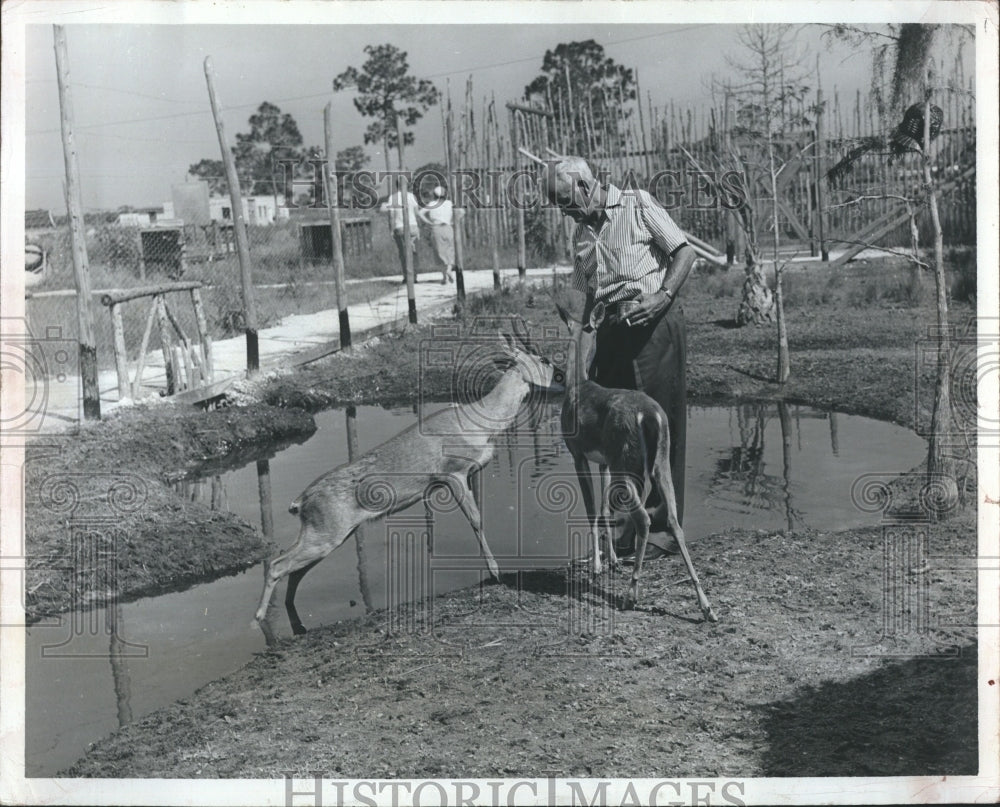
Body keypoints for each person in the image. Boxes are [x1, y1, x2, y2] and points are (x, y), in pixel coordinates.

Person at [543, 156, 697, 560]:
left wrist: (663, 296)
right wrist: (585, 346)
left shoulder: (636, 204)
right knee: (617, 431)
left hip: (655, 326)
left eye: (564, 200)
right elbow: (588, 294)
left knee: (660, 426)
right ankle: (623, 538)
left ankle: (663, 530)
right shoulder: (580, 235)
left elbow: (684, 252)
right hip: (611, 331)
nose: (564, 210)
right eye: (558, 205)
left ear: (583, 184)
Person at [380, 179, 421, 282]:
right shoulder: (412, 196)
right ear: (406, 185)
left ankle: (407, 276)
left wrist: (391, 229)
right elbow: (417, 213)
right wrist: (418, 227)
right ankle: (414, 275)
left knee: (403, 252)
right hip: (413, 226)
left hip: (400, 227)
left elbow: (391, 216)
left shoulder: (392, 197)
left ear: (396, 185)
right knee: (413, 252)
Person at [416, 185, 456, 285]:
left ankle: (444, 276)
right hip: (448, 227)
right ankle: (449, 270)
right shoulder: (449, 203)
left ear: (434, 195)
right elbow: (461, 212)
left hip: (436, 228)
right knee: (450, 250)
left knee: (439, 252)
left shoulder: (432, 204)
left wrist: (429, 222)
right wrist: (453, 221)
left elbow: (420, 213)